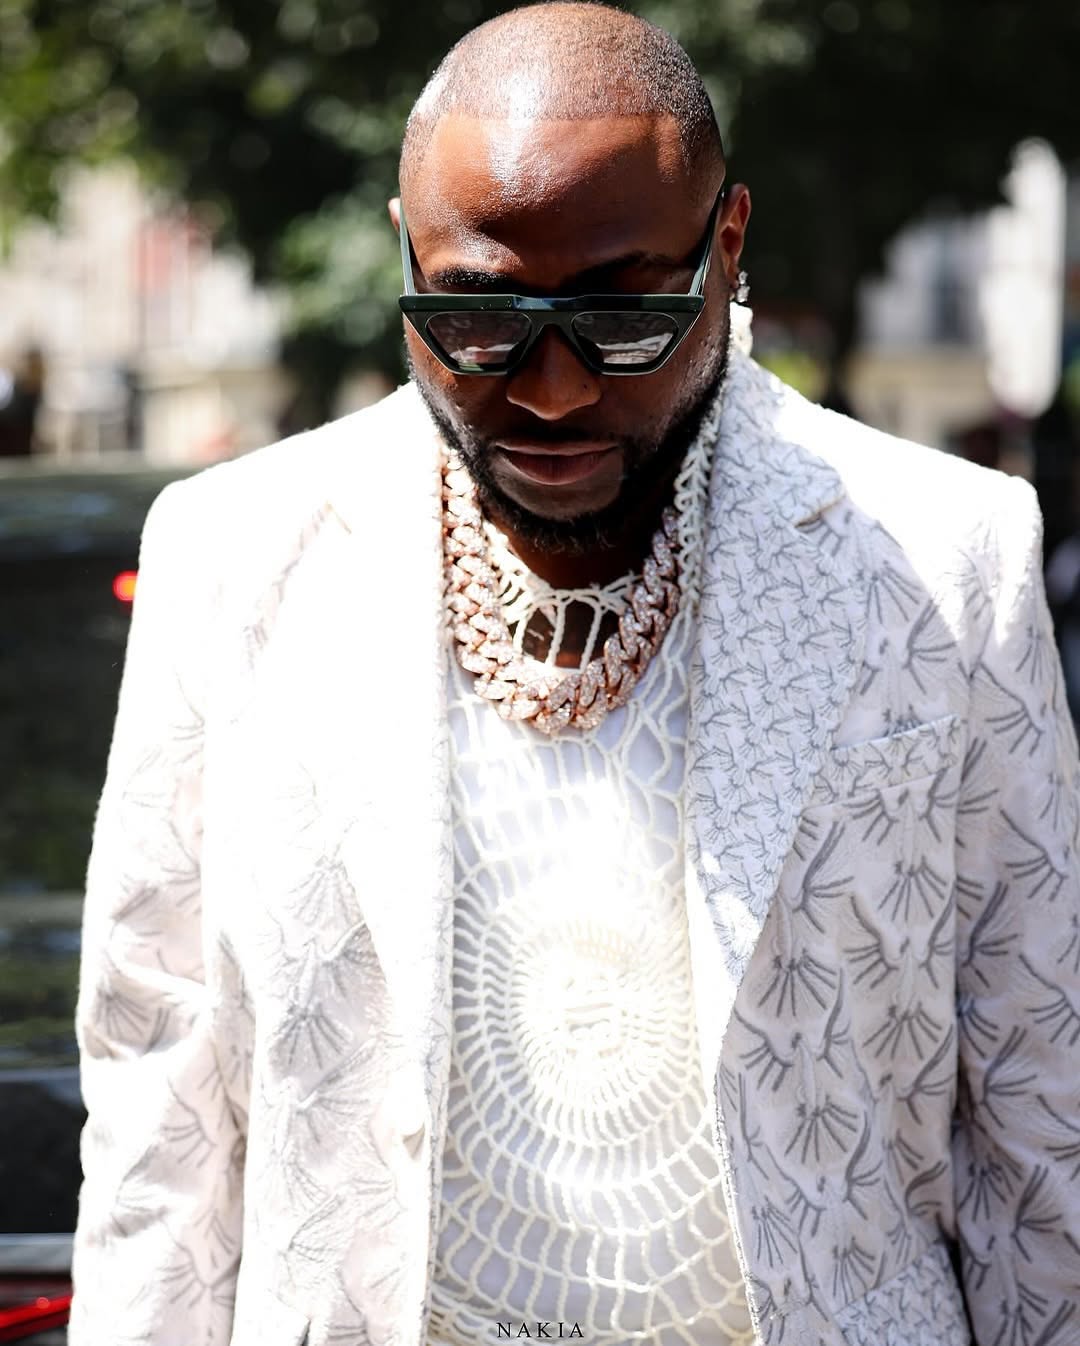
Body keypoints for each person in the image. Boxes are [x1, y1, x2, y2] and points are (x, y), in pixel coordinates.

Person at [70, 6, 1080, 1345]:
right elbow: (160, 1097)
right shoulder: (231, 555)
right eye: (477, 316)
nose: (550, 391)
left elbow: (1038, 1102)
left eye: (621, 314)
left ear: (727, 247)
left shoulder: (951, 559)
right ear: (405, 252)